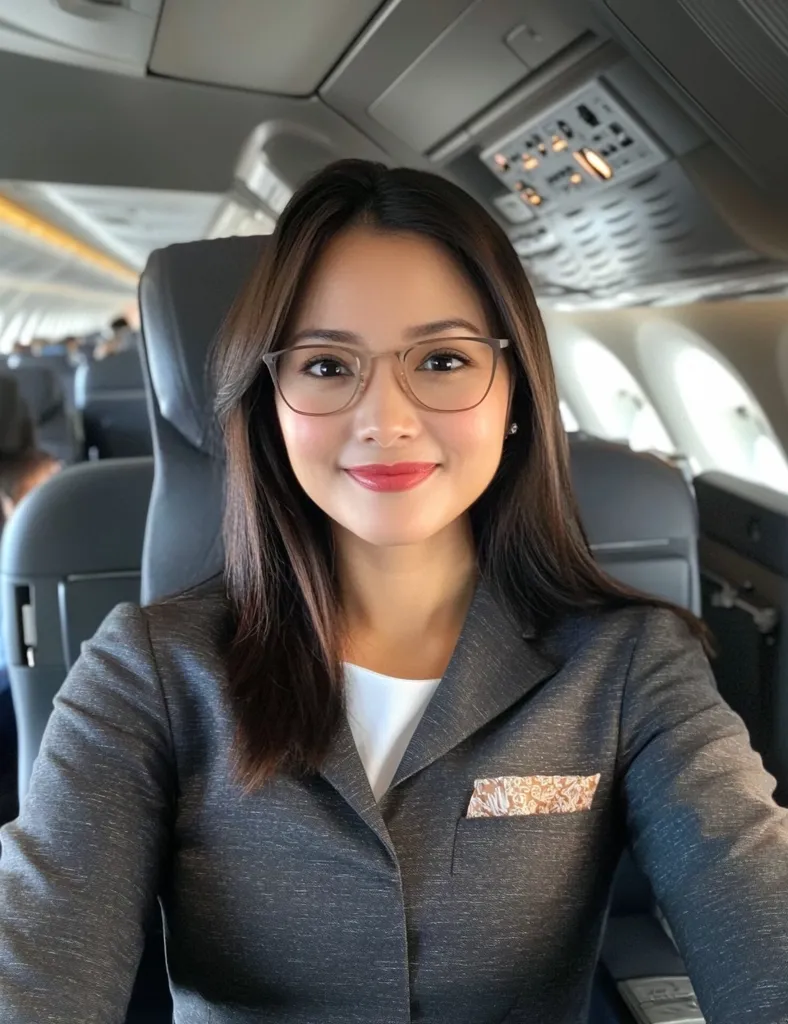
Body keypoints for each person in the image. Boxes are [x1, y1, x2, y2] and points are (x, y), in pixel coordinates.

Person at [0, 159, 786, 1023]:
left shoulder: (627, 664)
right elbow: (40, 946)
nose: (388, 418)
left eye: (443, 359)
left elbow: (749, 885)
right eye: (329, 366)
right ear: (271, 401)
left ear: (515, 391)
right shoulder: (149, 672)